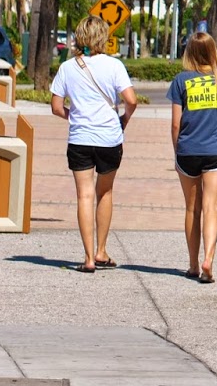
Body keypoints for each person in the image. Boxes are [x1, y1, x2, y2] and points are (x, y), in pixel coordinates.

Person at [49, 16, 139, 273]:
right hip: (109, 137)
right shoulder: (114, 65)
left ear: (79, 37)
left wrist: (74, 116)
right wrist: (124, 118)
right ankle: (101, 251)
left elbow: (56, 107)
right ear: (103, 37)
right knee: (105, 192)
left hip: (79, 138)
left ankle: (88, 258)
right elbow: (131, 100)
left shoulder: (67, 67)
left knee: (84, 195)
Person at [168, 31, 217, 283]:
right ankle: (208, 258)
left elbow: (176, 124)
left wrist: (177, 149)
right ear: (213, 50)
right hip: (216, 152)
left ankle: (192, 265)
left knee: (192, 208)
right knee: (212, 207)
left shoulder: (181, 81)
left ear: (189, 51)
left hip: (188, 150)